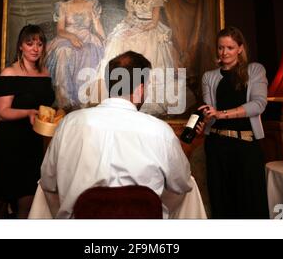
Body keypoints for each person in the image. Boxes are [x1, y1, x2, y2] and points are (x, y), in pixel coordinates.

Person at [40, 51, 193, 218]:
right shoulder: (160, 131)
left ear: (110, 84)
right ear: (140, 89)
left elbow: (48, 182)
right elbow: (182, 183)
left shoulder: (69, 124)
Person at [196, 26, 269, 219]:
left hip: (246, 147)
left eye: (230, 47)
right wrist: (206, 116)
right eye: (221, 48)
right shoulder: (209, 77)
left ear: (240, 48)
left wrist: (221, 114)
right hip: (216, 147)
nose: (224, 52)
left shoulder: (255, 70)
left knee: (251, 205)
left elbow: (258, 104)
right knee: (221, 204)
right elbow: (210, 110)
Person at [0, 25, 55, 218]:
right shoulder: (9, 73)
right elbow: (2, 112)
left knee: (27, 203)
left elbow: (45, 107)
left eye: (40, 44)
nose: (35, 48)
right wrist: (28, 112)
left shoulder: (46, 73)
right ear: (20, 47)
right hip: (6, 144)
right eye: (30, 43)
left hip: (32, 145)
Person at [94, 0, 175, 115]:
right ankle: (122, 93)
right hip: (135, 25)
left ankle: (145, 97)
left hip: (149, 29)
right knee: (119, 39)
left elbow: (154, 21)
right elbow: (130, 16)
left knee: (147, 50)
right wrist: (126, 27)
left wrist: (139, 30)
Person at [45, 0, 106, 111]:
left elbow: (97, 25)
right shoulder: (63, 6)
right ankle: (64, 100)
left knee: (89, 52)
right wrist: (71, 37)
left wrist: (105, 40)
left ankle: (83, 100)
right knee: (62, 51)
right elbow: (60, 30)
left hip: (86, 37)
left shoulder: (92, 4)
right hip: (66, 36)